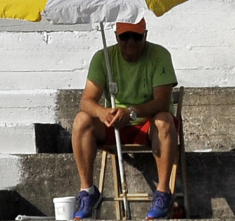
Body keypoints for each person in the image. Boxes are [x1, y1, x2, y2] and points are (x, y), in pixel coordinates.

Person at [71, 18, 179, 220]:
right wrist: (103, 113)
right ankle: (87, 191)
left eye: (136, 37)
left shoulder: (159, 55)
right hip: (114, 124)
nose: (131, 42)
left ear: (145, 35)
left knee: (164, 120)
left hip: (148, 122)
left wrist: (131, 112)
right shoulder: (103, 57)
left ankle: (163, 193)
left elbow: (162, 102)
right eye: (125, 37)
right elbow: (86, 101)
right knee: (81, 120)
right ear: (116, 37)